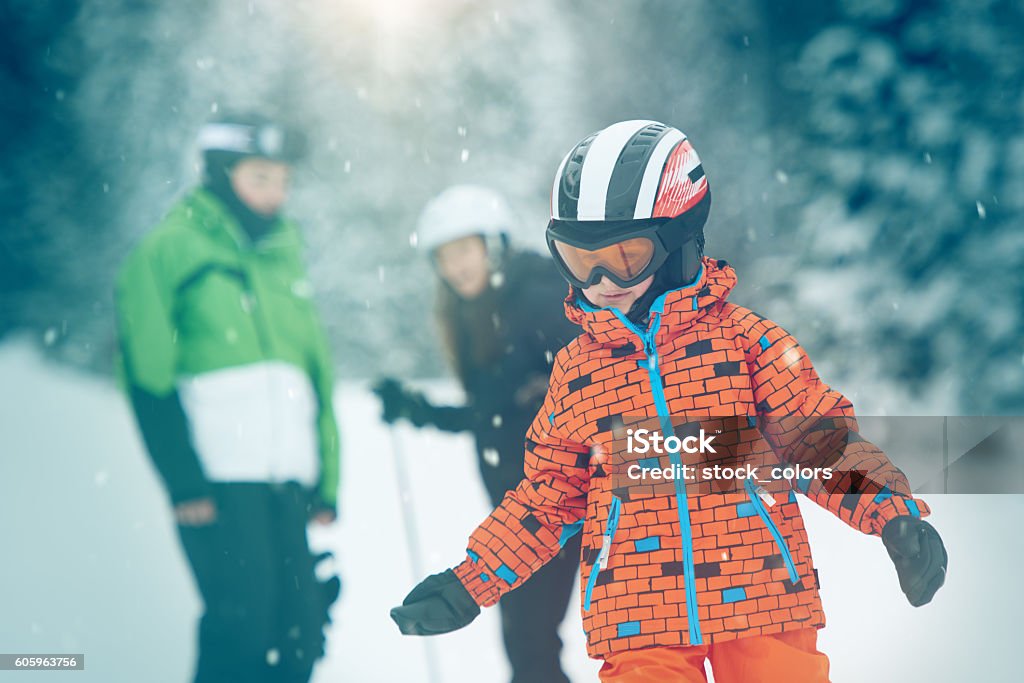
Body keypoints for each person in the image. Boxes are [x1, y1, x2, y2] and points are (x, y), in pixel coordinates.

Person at [389, 121, 948, 682]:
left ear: (679, 238)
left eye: (625, 255)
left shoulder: (746, 342)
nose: (603, 280)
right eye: (581, 261)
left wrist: (892, 514)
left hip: (760, 593)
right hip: (636, 614)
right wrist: (471, 581)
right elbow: (547, 497)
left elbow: (821, 445)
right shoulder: (576, 371)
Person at [115, 112, 341, 683]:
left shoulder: (283, 258)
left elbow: (314, 382)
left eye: (283, 181)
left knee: (300, 630)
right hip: (218, 483)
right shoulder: (170, 250)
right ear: (220, 172)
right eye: (260, 178)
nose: (275, 194)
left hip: (288, 481)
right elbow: (146, 373)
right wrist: (182, 477)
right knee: (243, 630)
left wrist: (327, 479)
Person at [373, 185, 582, 683]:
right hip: (519, 500)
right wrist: (418, 410)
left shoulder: (535, 297)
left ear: (494, 243)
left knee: (531, 636)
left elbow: (596, 376)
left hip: (560, 497)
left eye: (466, 249)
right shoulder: (476, 312)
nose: (457, 265)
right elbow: (493, 411)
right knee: (526, 636)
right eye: (445, 256)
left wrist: (550, 398)